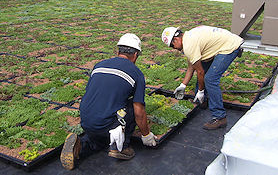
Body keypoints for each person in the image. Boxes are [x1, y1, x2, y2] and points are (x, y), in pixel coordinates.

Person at [60, 33, 157, 170]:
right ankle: (120, 147)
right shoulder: (136, 73)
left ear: (117, 51)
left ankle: (80, 145)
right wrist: (146, 135)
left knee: (98, 141)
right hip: (106, 124)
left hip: (86, 120)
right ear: (135, 55)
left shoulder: (99, 65)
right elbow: (139, 111)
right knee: (131, 106)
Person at [161, 26, 243, 130]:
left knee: (210, 79)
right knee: (202, 71)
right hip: (221, 44)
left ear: (176, 39)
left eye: (172, 46)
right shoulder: (188, 38)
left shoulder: (189, 45)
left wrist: (201, 91)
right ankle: (201, 101)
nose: (175, 49)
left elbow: (200, 72)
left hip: (229, 46)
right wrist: (183, 85)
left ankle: (219, 117)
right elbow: (192, 66)